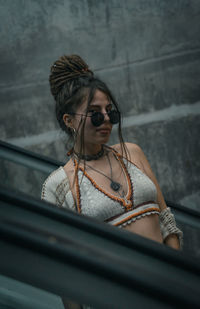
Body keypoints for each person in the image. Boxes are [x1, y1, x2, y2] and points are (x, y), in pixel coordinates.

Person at [41, 54, 183, 307]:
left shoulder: (133, 153)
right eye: (95, 114)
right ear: (69, 120)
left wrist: (177, 281)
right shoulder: (58, 186)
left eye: (111, 112)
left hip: (168, 293)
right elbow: (67, 272)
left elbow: (166, 220)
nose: (106, 119)